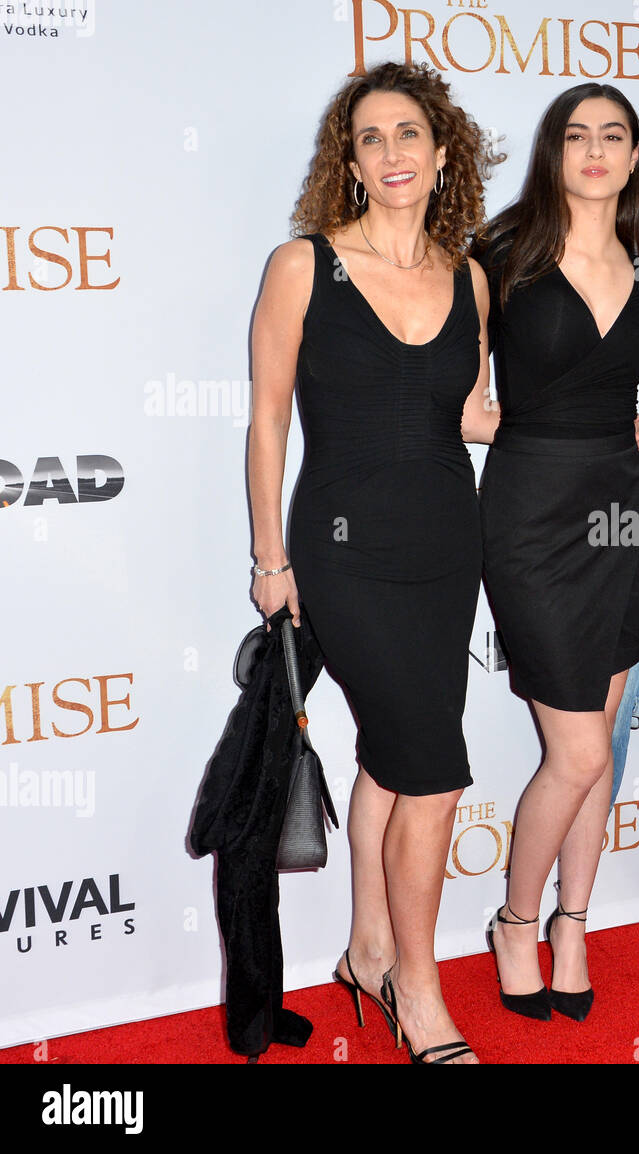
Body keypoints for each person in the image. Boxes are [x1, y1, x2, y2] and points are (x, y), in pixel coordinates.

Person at [247, 62, 502, 1063]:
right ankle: (420, 988)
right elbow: (269, 418)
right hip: (341, 549)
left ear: (443, 155)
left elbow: (463, 412)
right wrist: (270, 556)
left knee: (396, 762)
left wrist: (513, 420)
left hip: (449, 545)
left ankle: (363, 948)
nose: (392, 152)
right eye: (370, 139)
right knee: (431, 767)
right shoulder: (304, 265)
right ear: (348, 163)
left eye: (410, 134)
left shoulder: (470, 274)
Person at [477, 83, 639, 1021]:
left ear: (634, 157)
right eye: (577, 135)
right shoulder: (501, 255)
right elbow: (463, 394)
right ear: (555, 153)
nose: (596, 149)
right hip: (529, 513)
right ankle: (516, 919)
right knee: (580, 746)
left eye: (614, 136)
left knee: (603, 737)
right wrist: (516, 421)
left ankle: (572, 924)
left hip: (620, 515)